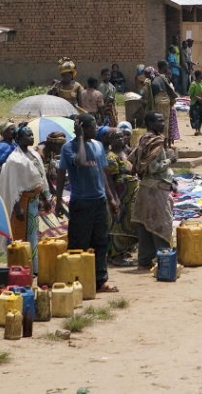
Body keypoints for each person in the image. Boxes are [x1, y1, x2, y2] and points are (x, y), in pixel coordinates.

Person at [55, 114, 120, 293]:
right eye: (93, 127)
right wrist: (59, 200)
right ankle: (78, 279)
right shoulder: (69, 148)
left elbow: (103, 173)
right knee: (79, 242)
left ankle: (101, 280)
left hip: (98, 201)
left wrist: (111, 198)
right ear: (82, 129)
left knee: (100, 241)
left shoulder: (98, 146)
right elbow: (78, 164)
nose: (97, 129)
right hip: (80, 203)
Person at [0, 124, 52, 273]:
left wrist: (45, 199)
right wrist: (17, 207)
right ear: (18, 138)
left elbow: (39, 180)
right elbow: (12, 185)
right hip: (22, 203)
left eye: (32, 134)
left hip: (34, 201)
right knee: (23, 237)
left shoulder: (34, 155)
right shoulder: (14, 160)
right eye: (28, 135)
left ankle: (34, 268)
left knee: (34, 236)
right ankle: (24, 268)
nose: (32, 137)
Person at [128, 112, 177, 270]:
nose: (163, 124)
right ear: (150, 123)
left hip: (145, 188)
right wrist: (171, 159)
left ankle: (144, 260)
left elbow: (132, 161)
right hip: (156, 189)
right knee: (161, 225)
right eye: (159, 121)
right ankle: (164, 260)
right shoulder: (156, 142)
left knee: (145, 225)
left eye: (163, 120)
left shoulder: (143, 139)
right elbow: (153, 167)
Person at [106, 129, 138, 267]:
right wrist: (114, 198)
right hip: (120, 196)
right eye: (116, 138)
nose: (120, 139)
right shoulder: (111, 157)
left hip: (129, 197)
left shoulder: (126, 153)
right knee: (118, 225)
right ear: (110, 141)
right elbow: (109, 179)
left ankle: (124, 251)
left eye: (121, 137)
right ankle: (116, 256)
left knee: (128, 224)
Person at [188, 70, 202, 135]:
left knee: (201, 116)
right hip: (195, 102)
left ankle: (199, 129)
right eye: (201, 74)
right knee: (195, 116)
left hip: (201, 102)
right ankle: (196, 129)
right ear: (198, 76)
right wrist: (198, 98)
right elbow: (190, 95)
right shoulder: (193, 84)